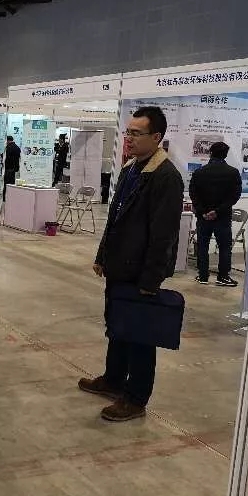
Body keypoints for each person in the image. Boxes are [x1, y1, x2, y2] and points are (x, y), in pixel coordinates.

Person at [78, 106, 183, 422]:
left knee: (140, 336)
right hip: (119, 267)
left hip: (141, 273)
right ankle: (113, 379)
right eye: (128, 132)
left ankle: (136, 398)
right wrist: (102, 256)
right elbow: (115, 218)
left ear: (157, 137)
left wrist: (151, 281)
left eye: (136, 133)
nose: (129, 138)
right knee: (117, 327)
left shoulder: (166, 177)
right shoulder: (130, 169)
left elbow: (163, 236)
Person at [189, 141, 242, 287]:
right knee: (224, 247)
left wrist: (203, 211)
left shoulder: (199, 172)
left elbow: (193, 193)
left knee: (203, 246)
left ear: (210, 153)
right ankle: (223, 277)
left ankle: (203, 276)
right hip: (222, 217)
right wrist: (217, 211)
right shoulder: (233, 172)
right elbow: (234, 196)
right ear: (225, 155)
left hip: (203, 217)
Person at [3, 136, 21, 200]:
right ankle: (11, 197)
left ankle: (5, 197)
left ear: (7, 140)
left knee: (6, 183)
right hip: (14, 168)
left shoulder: (8, 148)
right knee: (12, 183)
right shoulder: (17, 147)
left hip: (8, 168)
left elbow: (5, 158)